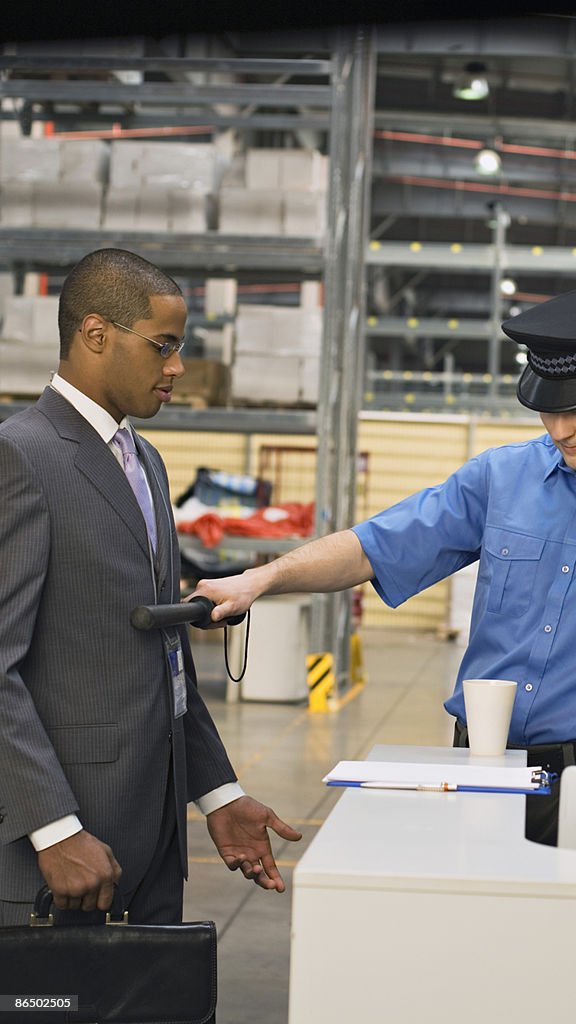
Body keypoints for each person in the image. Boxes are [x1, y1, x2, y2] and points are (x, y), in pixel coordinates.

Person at [194, 282, 576, 844]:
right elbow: (373, 545)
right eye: (547, 411)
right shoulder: (500, 478)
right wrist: (261, 578)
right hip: (482, 769)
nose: (560, 430)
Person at [0, 249, 302, 926]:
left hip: (154, 831)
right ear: (96, 334)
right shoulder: (22, 457)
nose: (177, 368)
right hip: (66, 852)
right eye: (163, 346)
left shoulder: (147, 462)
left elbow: (163, 648)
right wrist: (53, 828)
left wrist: (217, 792)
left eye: (181, 347)